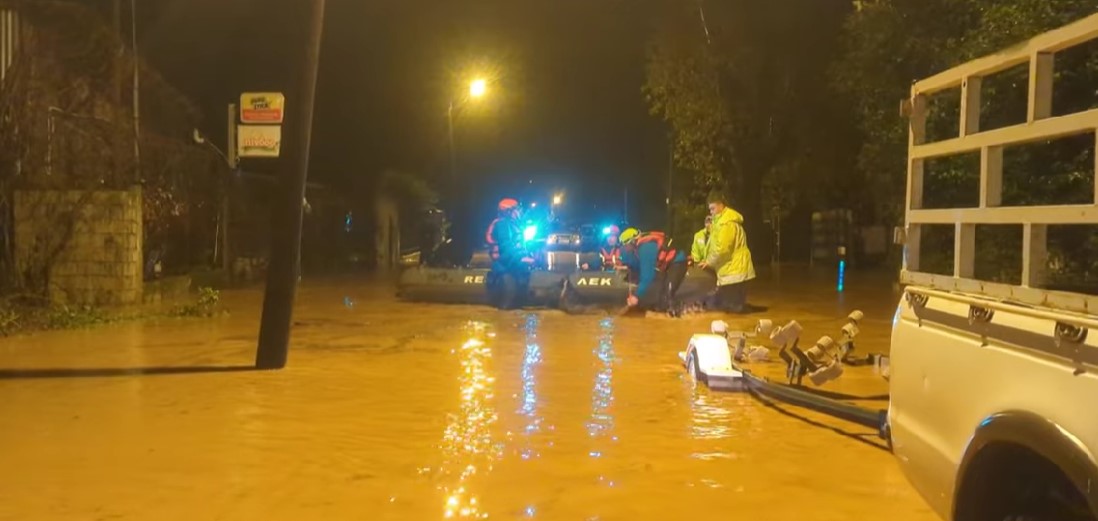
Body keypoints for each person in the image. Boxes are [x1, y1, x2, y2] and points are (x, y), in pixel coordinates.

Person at [699, 192, 756, 313]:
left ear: (721, 205)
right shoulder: (722, 222)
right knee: (732, 308)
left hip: (734, 272)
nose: (711, 212)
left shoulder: (726, 224)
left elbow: (722, 249)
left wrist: (709, 262)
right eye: (710, 209)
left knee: (730, 310)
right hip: (734, 270)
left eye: (713, 208)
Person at [618, 227, 688, 312]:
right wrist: (627, 266)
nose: (624, 248)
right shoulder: (638, 248)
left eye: (625, 245)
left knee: (666, 295)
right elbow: (639, 265)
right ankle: (668, 310)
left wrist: (636, 296)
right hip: (667, 266)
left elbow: (648, 276)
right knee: (660, 296)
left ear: (632, 242)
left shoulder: (646, 248)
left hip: (677, 263)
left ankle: (683, 312)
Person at [486, 198, 534, 309]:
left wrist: (530, 256)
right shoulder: (502, 225)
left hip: (511, 264)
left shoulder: (514, 225)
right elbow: (506, 248)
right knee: (509, 302)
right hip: (503, 266)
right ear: (508, 212)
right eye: (516, 210)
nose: (519, 212)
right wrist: (520, 259)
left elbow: (519, 246)